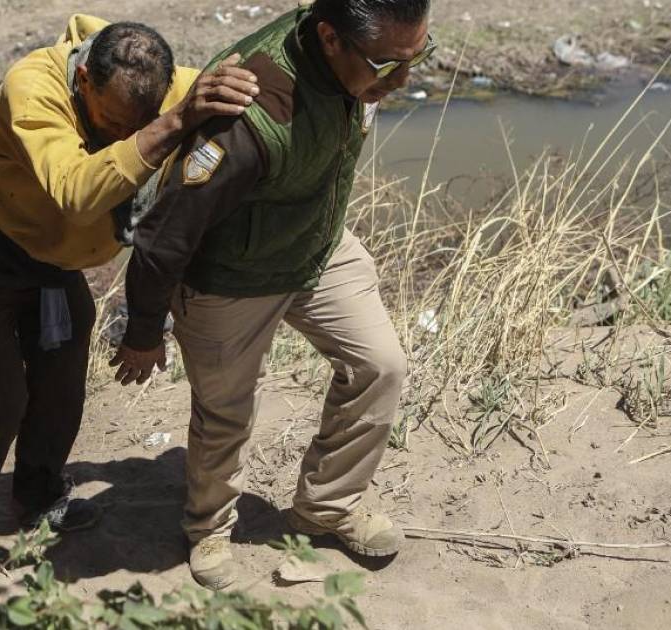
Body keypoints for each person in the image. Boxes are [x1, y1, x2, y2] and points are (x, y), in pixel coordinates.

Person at [111, 0, 434, 590]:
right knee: (225, 415)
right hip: (229, 279)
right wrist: (141, 334)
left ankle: (326, 509)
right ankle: (208, 526)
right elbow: (161, 237)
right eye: (389, 66)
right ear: (330, 38)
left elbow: (367, 89)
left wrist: (379, 71)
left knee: (381, 366)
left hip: (315, 245)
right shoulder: (244, 117)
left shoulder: (358, 59)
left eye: (418, 56)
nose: (404, 79)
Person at [0, 15, 259, 537]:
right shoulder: (33, 86)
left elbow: (261, 84)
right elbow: (77, 193)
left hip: (51, 266)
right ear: (82, 82)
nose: (124, 137)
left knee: (61, 391)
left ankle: (38, 495)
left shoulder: (176, 90)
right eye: (114, 123)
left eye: (142, 122)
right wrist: (169, 124)